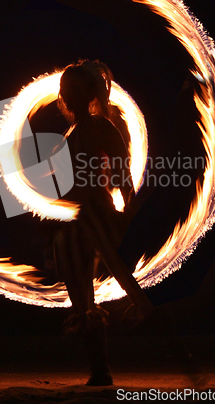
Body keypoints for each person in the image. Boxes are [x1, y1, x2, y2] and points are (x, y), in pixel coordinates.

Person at [53, 60, 153, 386]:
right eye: (65, 89)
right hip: (77, 220)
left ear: (92, 92)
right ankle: (100, 370)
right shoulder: (72, 131)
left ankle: (169, 349)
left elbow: (124, 176)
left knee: (129, 286)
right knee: (81, 299)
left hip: (97, 215)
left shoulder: (99, 126)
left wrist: (129, 217)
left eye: (75, 88)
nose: (67, 94)